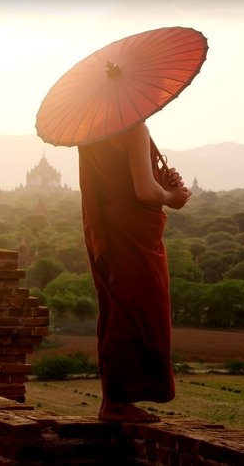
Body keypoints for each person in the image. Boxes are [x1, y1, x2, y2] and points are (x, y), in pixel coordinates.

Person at [78, 121, 191, 422]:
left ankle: (113, 399)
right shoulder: (132, 128)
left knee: (118, 311)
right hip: (132, 234)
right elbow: (144, 192)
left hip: (110, 231)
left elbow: (123, 182)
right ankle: (116, 402)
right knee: (139, 311)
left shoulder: (91, 131)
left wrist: (161, 180)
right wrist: (171, 196)